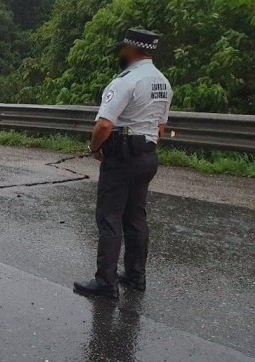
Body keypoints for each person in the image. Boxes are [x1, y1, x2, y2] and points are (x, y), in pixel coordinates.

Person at [74, 28, 173, 299]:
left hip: (121, 156)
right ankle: (135, 276)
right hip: (147, 155)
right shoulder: (162, 82)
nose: (120, 52)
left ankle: (105, 282)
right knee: (136, 217)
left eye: (123, 48)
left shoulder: (125, 81)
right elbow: (161, 127)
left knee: (109, 217)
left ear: (131, 50)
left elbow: (104, 124)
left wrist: (95, 148)